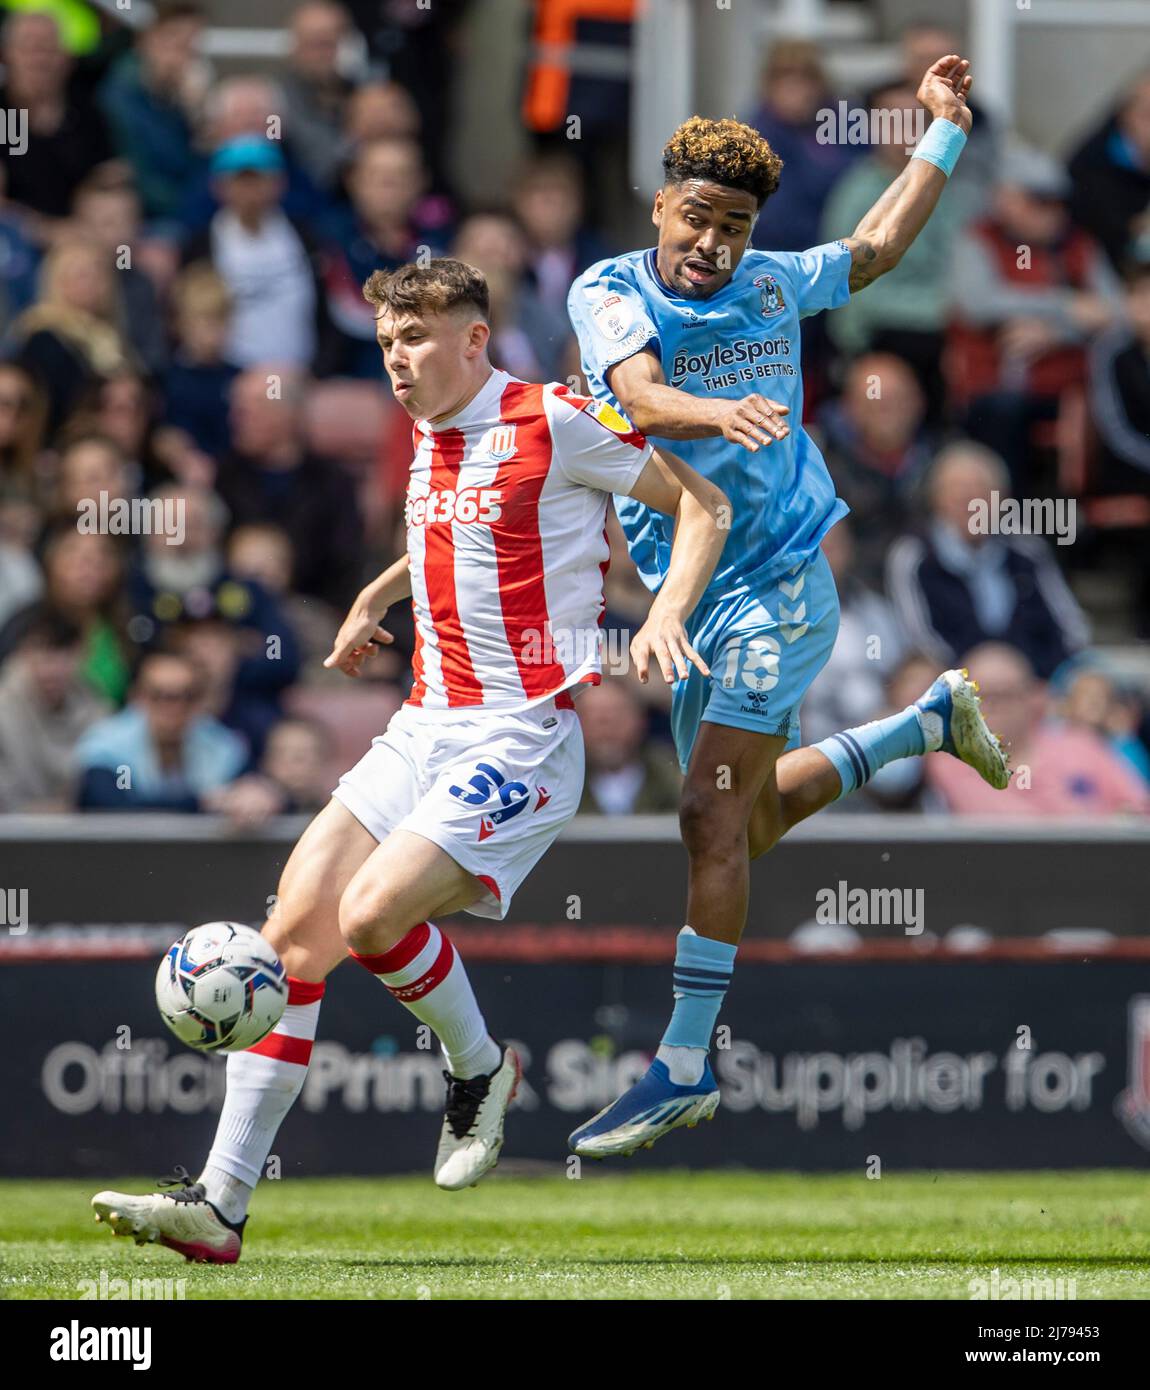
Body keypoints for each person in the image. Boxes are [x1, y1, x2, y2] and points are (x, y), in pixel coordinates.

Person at [89, 256, 728, 1263]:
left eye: (417, 338)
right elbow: (450, 538)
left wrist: (667, 615)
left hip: (523, 732)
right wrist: (374, 598)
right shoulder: (428, 432)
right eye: (387, 340)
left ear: (475, 340)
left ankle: (480, 1068)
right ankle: (220, 1206)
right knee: (292, 937)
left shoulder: (553, 419)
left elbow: (702, 506)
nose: (397, 357)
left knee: (371, 914)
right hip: (422, 726)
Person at [565, 57, 1010, 1160]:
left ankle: (678, 1066)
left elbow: (872, 251)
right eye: (700, 218)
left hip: (780, 590)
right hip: (687, 594)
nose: (714, 244)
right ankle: (920, 726)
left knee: (707, 820)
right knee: (747, 821)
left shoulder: (772, 281)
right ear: (662, 203)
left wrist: (940, 135)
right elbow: (637, 396)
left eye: (736, 225)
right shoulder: (609, 290)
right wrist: (726, 409)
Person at [885, 442, 1089, 680]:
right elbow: (919, 639)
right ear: (937, 499)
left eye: (980, 490)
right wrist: (979, 678)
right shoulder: (913, 555)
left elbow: (1070, 626)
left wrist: (1042, 681)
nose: (969, 501)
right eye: (957, 490)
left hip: (1035, 688)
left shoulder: (1027, 549)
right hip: (953, 690)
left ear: (1001, 499)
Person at [926, 642, 1150, 817]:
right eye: (978, 697)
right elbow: (1004, 827)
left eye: (1005, 695)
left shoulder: (1081, 745)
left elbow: (1139, 808)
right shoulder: (949, 760)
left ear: (1031, 698)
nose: (991, 708)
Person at [0, 611, 109, 811]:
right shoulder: (4, 707)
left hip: (82, 829)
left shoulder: (99, 710)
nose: (51, 670)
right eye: (42, 654)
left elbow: (122, 772)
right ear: (24, 653)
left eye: (63, 656)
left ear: (81, 654)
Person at [577, 679, 681, 814]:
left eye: (617, 715)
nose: (607, 728)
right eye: (594, 718)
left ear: (641, 720)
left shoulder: (672, 774)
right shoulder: (556, 782)